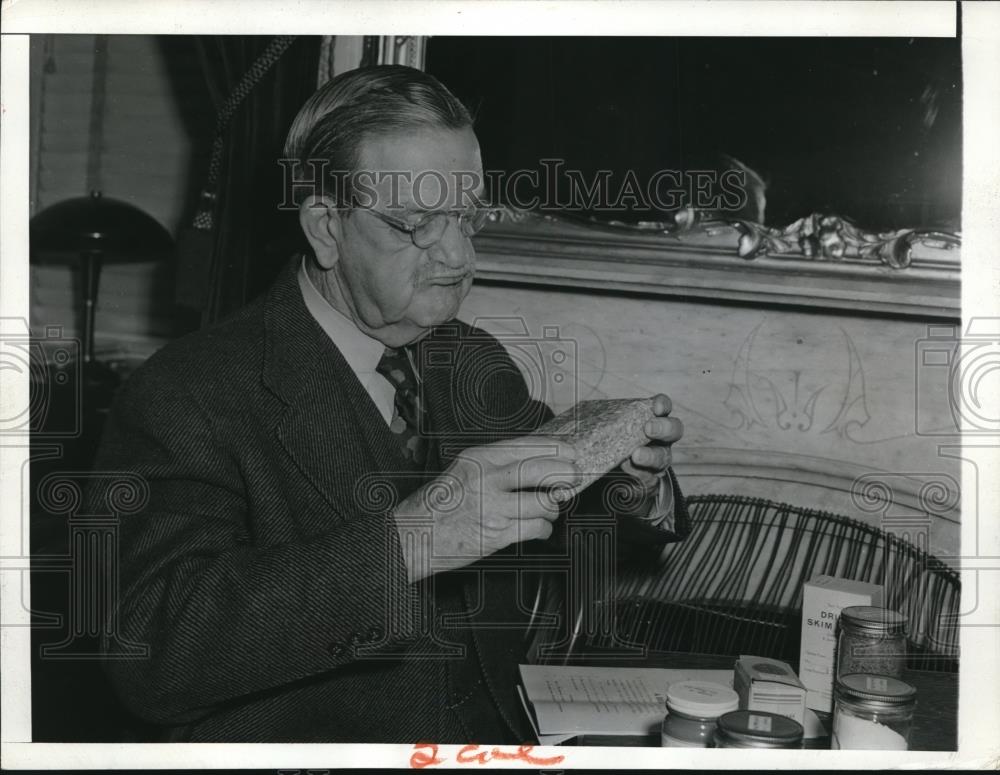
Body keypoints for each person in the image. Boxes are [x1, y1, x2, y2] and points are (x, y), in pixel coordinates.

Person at [93, 64, 688, 743]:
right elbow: (151, 655)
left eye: (468, 218)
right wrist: (411, 541)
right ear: (325, 227)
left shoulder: (471, 358)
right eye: (418, 224)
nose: (460, 257)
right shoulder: (188, 392)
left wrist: (633, 485)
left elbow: (559, 515)